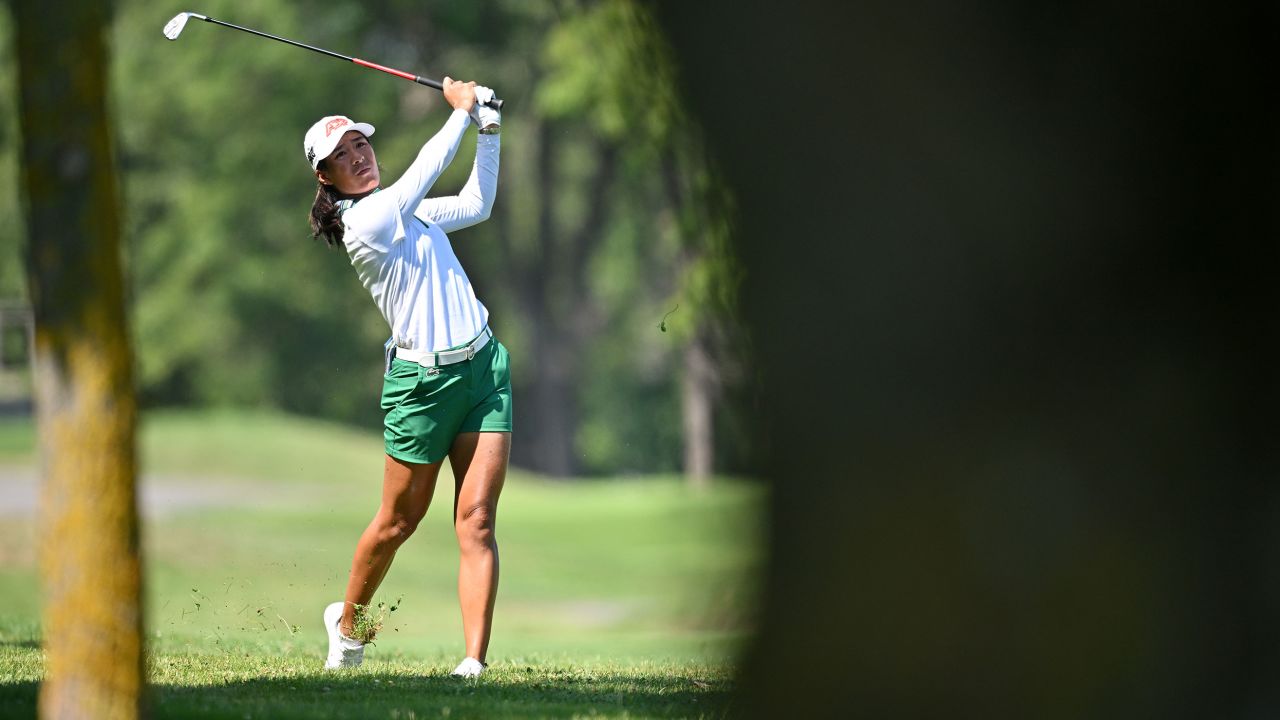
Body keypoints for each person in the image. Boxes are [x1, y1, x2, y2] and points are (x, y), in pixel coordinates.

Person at [304, 78, 508, 678]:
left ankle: (473, 665)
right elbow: (425, 168)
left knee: (476, 519)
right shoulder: (367, 223)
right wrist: (463, 113)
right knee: (399, 522)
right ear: (327, 178)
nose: (357, 157)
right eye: (341, 157)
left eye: (360, 145)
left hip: (483, 369)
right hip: (420, 388)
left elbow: (477, 205)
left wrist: (489, 131)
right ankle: (349, 628)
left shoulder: (406, 211)